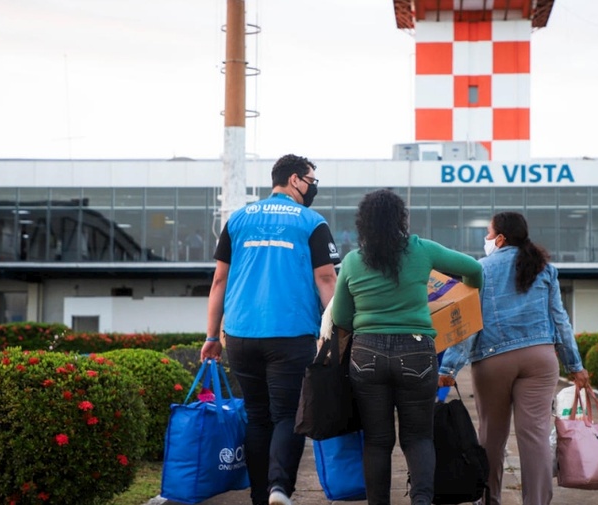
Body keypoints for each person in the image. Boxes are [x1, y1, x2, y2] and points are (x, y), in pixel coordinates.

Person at [201, 154, 340, 505]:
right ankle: (280, 488)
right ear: (295, 180)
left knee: (258, 416)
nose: (313, 188)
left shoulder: (238, 219)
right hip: (290, 336)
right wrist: (340, 331)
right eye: (311, 180)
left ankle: (260, 497)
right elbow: (326, 279)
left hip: (241, 335)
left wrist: (211, 337)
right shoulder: (311, 222)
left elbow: (219, 280)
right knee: (286, 416)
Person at [331, 189, 482, 505]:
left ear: (363, 223)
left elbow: (342, 316)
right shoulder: (422, 250)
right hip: (416, 353)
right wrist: (463, 295)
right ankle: (422, 501)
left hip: (366, 355)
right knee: (417, 438)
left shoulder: (352, 261)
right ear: (401, 219)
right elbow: (474, 269)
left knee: (377, 439)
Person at [437, 211, 589, 505]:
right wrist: (575, 366)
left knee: (491, 437)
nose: (486, 239)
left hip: (494, 361)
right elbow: (560, 320)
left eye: (489, 233)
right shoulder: (545, 269)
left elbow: (467, 326)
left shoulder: (480, 269)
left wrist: (449, 368)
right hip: (540, 359)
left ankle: (489, 500)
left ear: (501, 238)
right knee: (535, 438)